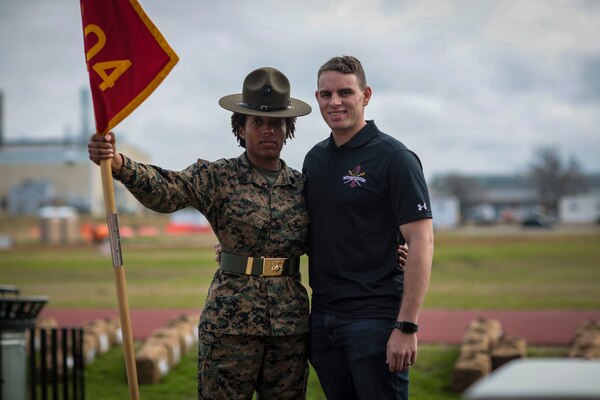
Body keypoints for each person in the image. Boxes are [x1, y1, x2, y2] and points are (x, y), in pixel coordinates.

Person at [88, 67, 313, 399]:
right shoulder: (217, 176)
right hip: (230, 324)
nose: (268, 130)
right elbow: (168, 190)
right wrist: (120, 164)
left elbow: (337, 234)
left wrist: (391, 249)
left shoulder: (303, 187)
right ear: (240, 127)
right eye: (257, 122)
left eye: (277, 123)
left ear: (288, 128)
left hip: (289, 327)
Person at [303, 55, 434, 399]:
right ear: (316, 97)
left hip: (374, 322)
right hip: (323, 319)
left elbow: (421, 240)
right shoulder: (314, 159)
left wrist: (406, 326)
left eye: (345, 92)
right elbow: (305, 228)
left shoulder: (395, 158)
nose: (335, 102)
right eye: (326, 94)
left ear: (366, 95)